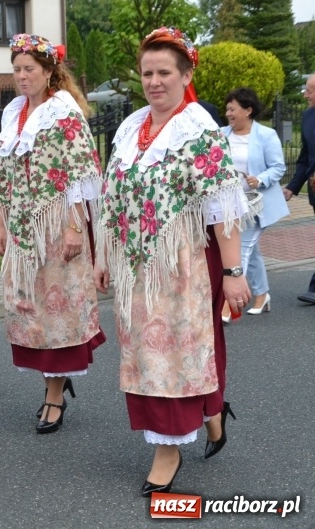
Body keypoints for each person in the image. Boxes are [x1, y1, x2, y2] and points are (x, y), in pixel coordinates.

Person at [93, 27, 251, 497]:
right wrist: (104, 255)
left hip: (182, 266)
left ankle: (169, 448)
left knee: (175, 354)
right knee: (145, 353)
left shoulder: (197, 128)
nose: (154, 81)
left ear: (186, 75)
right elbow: (110, 200)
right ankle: (213, 411)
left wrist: (234, 272)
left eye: (164, 72)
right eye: (147, 73)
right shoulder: (129, 127)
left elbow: (225, 207)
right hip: (133, 269)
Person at [0, 33, 106, 435]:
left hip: (56, 223)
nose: (22, 76)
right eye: (17, 69)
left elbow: (81, 173)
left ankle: (54, 394)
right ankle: (50, 384)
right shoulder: (13, 112)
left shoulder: (64, 112)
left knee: (57, 311)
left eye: (29, 70)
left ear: (47, 71)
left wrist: (76, 227)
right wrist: (1, 221)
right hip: (22, 228)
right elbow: (4, 174)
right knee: (31, 309)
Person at [220, 87, 287, 321]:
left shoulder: (266, 135)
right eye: (227, 109)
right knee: (253, 250)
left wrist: (259, 179)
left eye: (232, 109)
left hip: (257, 205)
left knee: (242, 249)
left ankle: (228, 305)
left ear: (248, 111)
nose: (228, 113)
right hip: (230, 205)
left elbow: (278, 167)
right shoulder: (221, 134)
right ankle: (261, 295)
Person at [283, 73, 315, 304]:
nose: (305, 94)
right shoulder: (307, 117)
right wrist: (293, 187)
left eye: (309, 91)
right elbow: (305, 156)